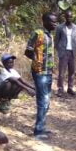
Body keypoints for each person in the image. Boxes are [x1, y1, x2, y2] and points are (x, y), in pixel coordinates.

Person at [25, 12, 57, 140]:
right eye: (52, 21)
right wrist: (37, 60)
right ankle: (38, 131)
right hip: (39, 72)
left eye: (56, 21)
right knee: (43, 101)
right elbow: (28, 51)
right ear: (44, 21)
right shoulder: (38, 34)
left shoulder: (50, 35)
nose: (55, 24)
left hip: (48, 72)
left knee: (47, 101)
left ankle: (42, 127)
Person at [55, 9, 76, 96]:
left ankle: (70, 88)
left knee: (72, 71)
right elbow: (56, 41)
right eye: (67, 16)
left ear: (72, 17)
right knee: (62, 72)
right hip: (63, 52)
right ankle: (60, 89)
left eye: (71, 17)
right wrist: (60, 50)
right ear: (65, 17)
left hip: (72, 52)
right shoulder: (60, 27)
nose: (69, 18)